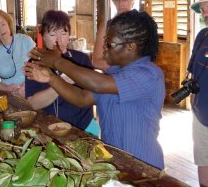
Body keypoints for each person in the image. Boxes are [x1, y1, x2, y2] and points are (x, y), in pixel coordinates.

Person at [25, 10, 165, 169]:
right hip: (113, 161)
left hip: (142, 164)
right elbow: (82, 97)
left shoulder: (149, 74)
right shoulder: (114, 71)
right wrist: (51, 78)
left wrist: (57, 62)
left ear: (130, 47)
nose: (103, 48)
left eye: (109, 44)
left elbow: (97, 84)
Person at [25, 10, 99, 136]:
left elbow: (94, 96)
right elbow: (33, 104)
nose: (59, 40)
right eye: (53, 34)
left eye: (64, 33)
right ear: (43, 35)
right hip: (49, 128)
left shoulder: (81, 59)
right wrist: (62, 81)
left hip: (84, 127)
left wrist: (96, 123)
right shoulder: (35, 63)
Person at [0, 10, 35, 97]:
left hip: (32, 86)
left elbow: (39, 67)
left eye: (3, 24)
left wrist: (24, 86)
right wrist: (7, 88)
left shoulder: (25, 40)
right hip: (9, 92)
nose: (1, 29)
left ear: (8, 23)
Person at [188, 0, 208, 187]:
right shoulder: (202, 36)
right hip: (201, 114)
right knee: (203, 158)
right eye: (202, 9)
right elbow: (193, 72)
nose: (204, 11)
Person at [92, 0, 136, 71]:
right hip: (113, 76)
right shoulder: (106, 26)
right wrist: (122, 67)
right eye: (117, 0)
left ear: (133, 1)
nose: (120, 3)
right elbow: (96, 61)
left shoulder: (140, 26)